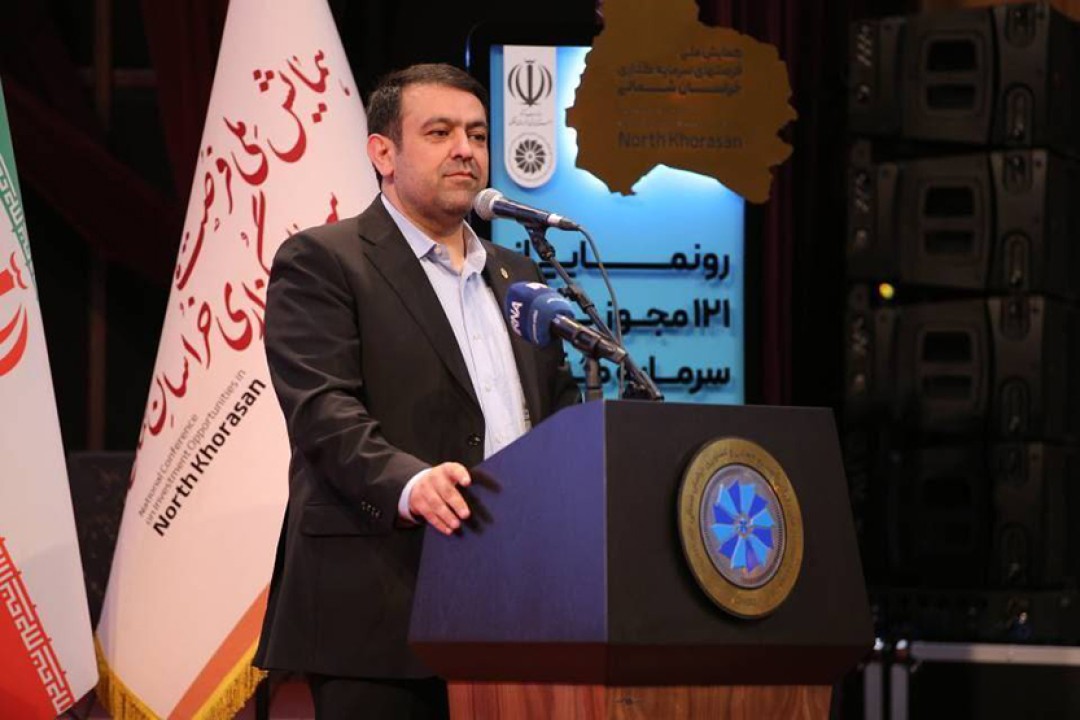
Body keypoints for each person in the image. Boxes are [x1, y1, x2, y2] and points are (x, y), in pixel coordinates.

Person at [253, 63, 581, 719]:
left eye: (477, 135)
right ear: (383, 153)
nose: (465, 149)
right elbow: (323, 412)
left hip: (520, 601)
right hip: (382, 605)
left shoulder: (517, 274)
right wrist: (409, 483)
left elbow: (558, 409)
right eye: (439, 132)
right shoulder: (325, 261)